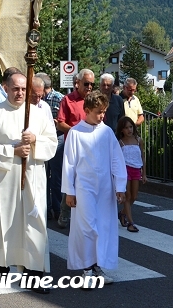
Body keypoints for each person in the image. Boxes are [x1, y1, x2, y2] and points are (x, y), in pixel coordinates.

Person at [0, 73, 57, 294]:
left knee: (33, 224)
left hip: (32, 178)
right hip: (4, 180)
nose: (19, 93)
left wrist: (35, 140)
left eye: (23, 89)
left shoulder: (37, 115)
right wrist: (13, 151)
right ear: (6, 88)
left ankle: (34, 275)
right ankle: (0, 272)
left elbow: (52, 143)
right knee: (2, 223)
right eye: (15, 89)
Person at [62, 91, 127, 284]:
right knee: (87, 227)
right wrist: (70, 191)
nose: (102, 116)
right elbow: (69, 164)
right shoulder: (75, 133)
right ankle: (87, 268)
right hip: (84, 188)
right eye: (99, 112)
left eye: (104, 112)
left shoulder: (106, 132)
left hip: (105, 188)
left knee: (104, 226)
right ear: (87, 110)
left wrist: (120, 186)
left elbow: (116, 159)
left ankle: (98, 266)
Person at [55, 68, 95, 228]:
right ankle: (64, 213)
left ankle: (85, 214)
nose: (90, 87)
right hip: (73, 147)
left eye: (92, 84)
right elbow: (60, 122)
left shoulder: (93, 100)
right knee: (71, 180)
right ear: (77, 83)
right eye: (87, 83)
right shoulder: (67, 99)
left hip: (91, 148)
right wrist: (76, 132)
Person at [36, 73, 64, 221]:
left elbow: (62, 120)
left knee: (56, 175)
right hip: (40, 139)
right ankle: (45, 207)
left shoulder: (59, 98)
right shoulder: (36, 98)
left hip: (56, 138)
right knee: (43, 175)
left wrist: (54, 122)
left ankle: (57, 207)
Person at [116, 116, 146, 233]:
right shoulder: (120, 143)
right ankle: (130, 222)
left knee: (134, 196)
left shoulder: (139, 140)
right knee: (127, 196)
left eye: (130, 127)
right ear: (121, 130)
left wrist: (144, 173)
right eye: (126, 128)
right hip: (125, 170)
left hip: (136, 169)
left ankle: (122, 213)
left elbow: (142, 156)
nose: (129, 130)